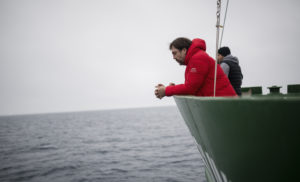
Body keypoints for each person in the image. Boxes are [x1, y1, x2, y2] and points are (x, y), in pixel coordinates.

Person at [155, 37, 237, 99]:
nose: (173, 57)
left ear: (183, 50)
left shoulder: (198, 59)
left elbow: (190, 89)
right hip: (223, 102)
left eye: (175, 53)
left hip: (226, 104)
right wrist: (170, 88)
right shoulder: (196, 58)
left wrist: (166, 91)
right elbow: (194, 87)